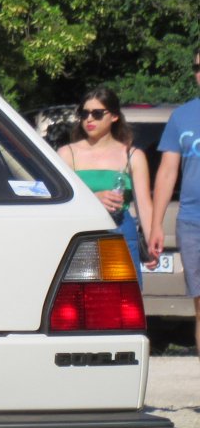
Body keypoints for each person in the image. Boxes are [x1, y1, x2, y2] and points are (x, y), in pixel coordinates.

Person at [59, 85, 153, 277]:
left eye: (97, 113)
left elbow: (144, 205)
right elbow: (59, 201)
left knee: (125, 299)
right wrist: (93, 199)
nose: (89, 119)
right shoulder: (67, 154)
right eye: (84, 114)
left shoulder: (132, 155)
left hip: (122, 231)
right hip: (81, 233)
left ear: (114, 116)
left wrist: (152, 241)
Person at [149, 44, 200, 353]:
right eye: (197, 67)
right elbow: (167, 173)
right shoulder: (181, 117)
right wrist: (156, 224)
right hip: (193, 222)